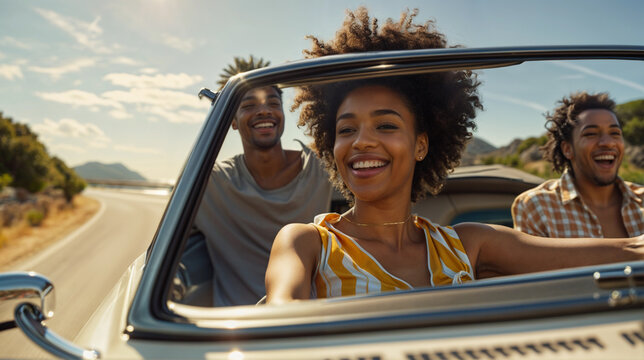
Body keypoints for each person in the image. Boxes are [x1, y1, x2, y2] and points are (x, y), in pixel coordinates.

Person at [264, 8, 644, 304]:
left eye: (386, 125)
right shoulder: (306, 242)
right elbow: (281, 318)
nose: (361, 141)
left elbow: (626, 250)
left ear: (421, 145)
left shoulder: (467, 243)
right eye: (346, 130)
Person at [194, 56, 333, 306]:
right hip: (234, 329)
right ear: (232, 121)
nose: (264, 110)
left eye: (272, 102)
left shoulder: (321, 168)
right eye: (248, 105)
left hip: (309, 320)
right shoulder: (211, 182)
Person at [512, 92, 644, 238]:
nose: (608, 142)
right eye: (591, 134)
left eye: (615, 133)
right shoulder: (537, 206)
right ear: (567, 149)